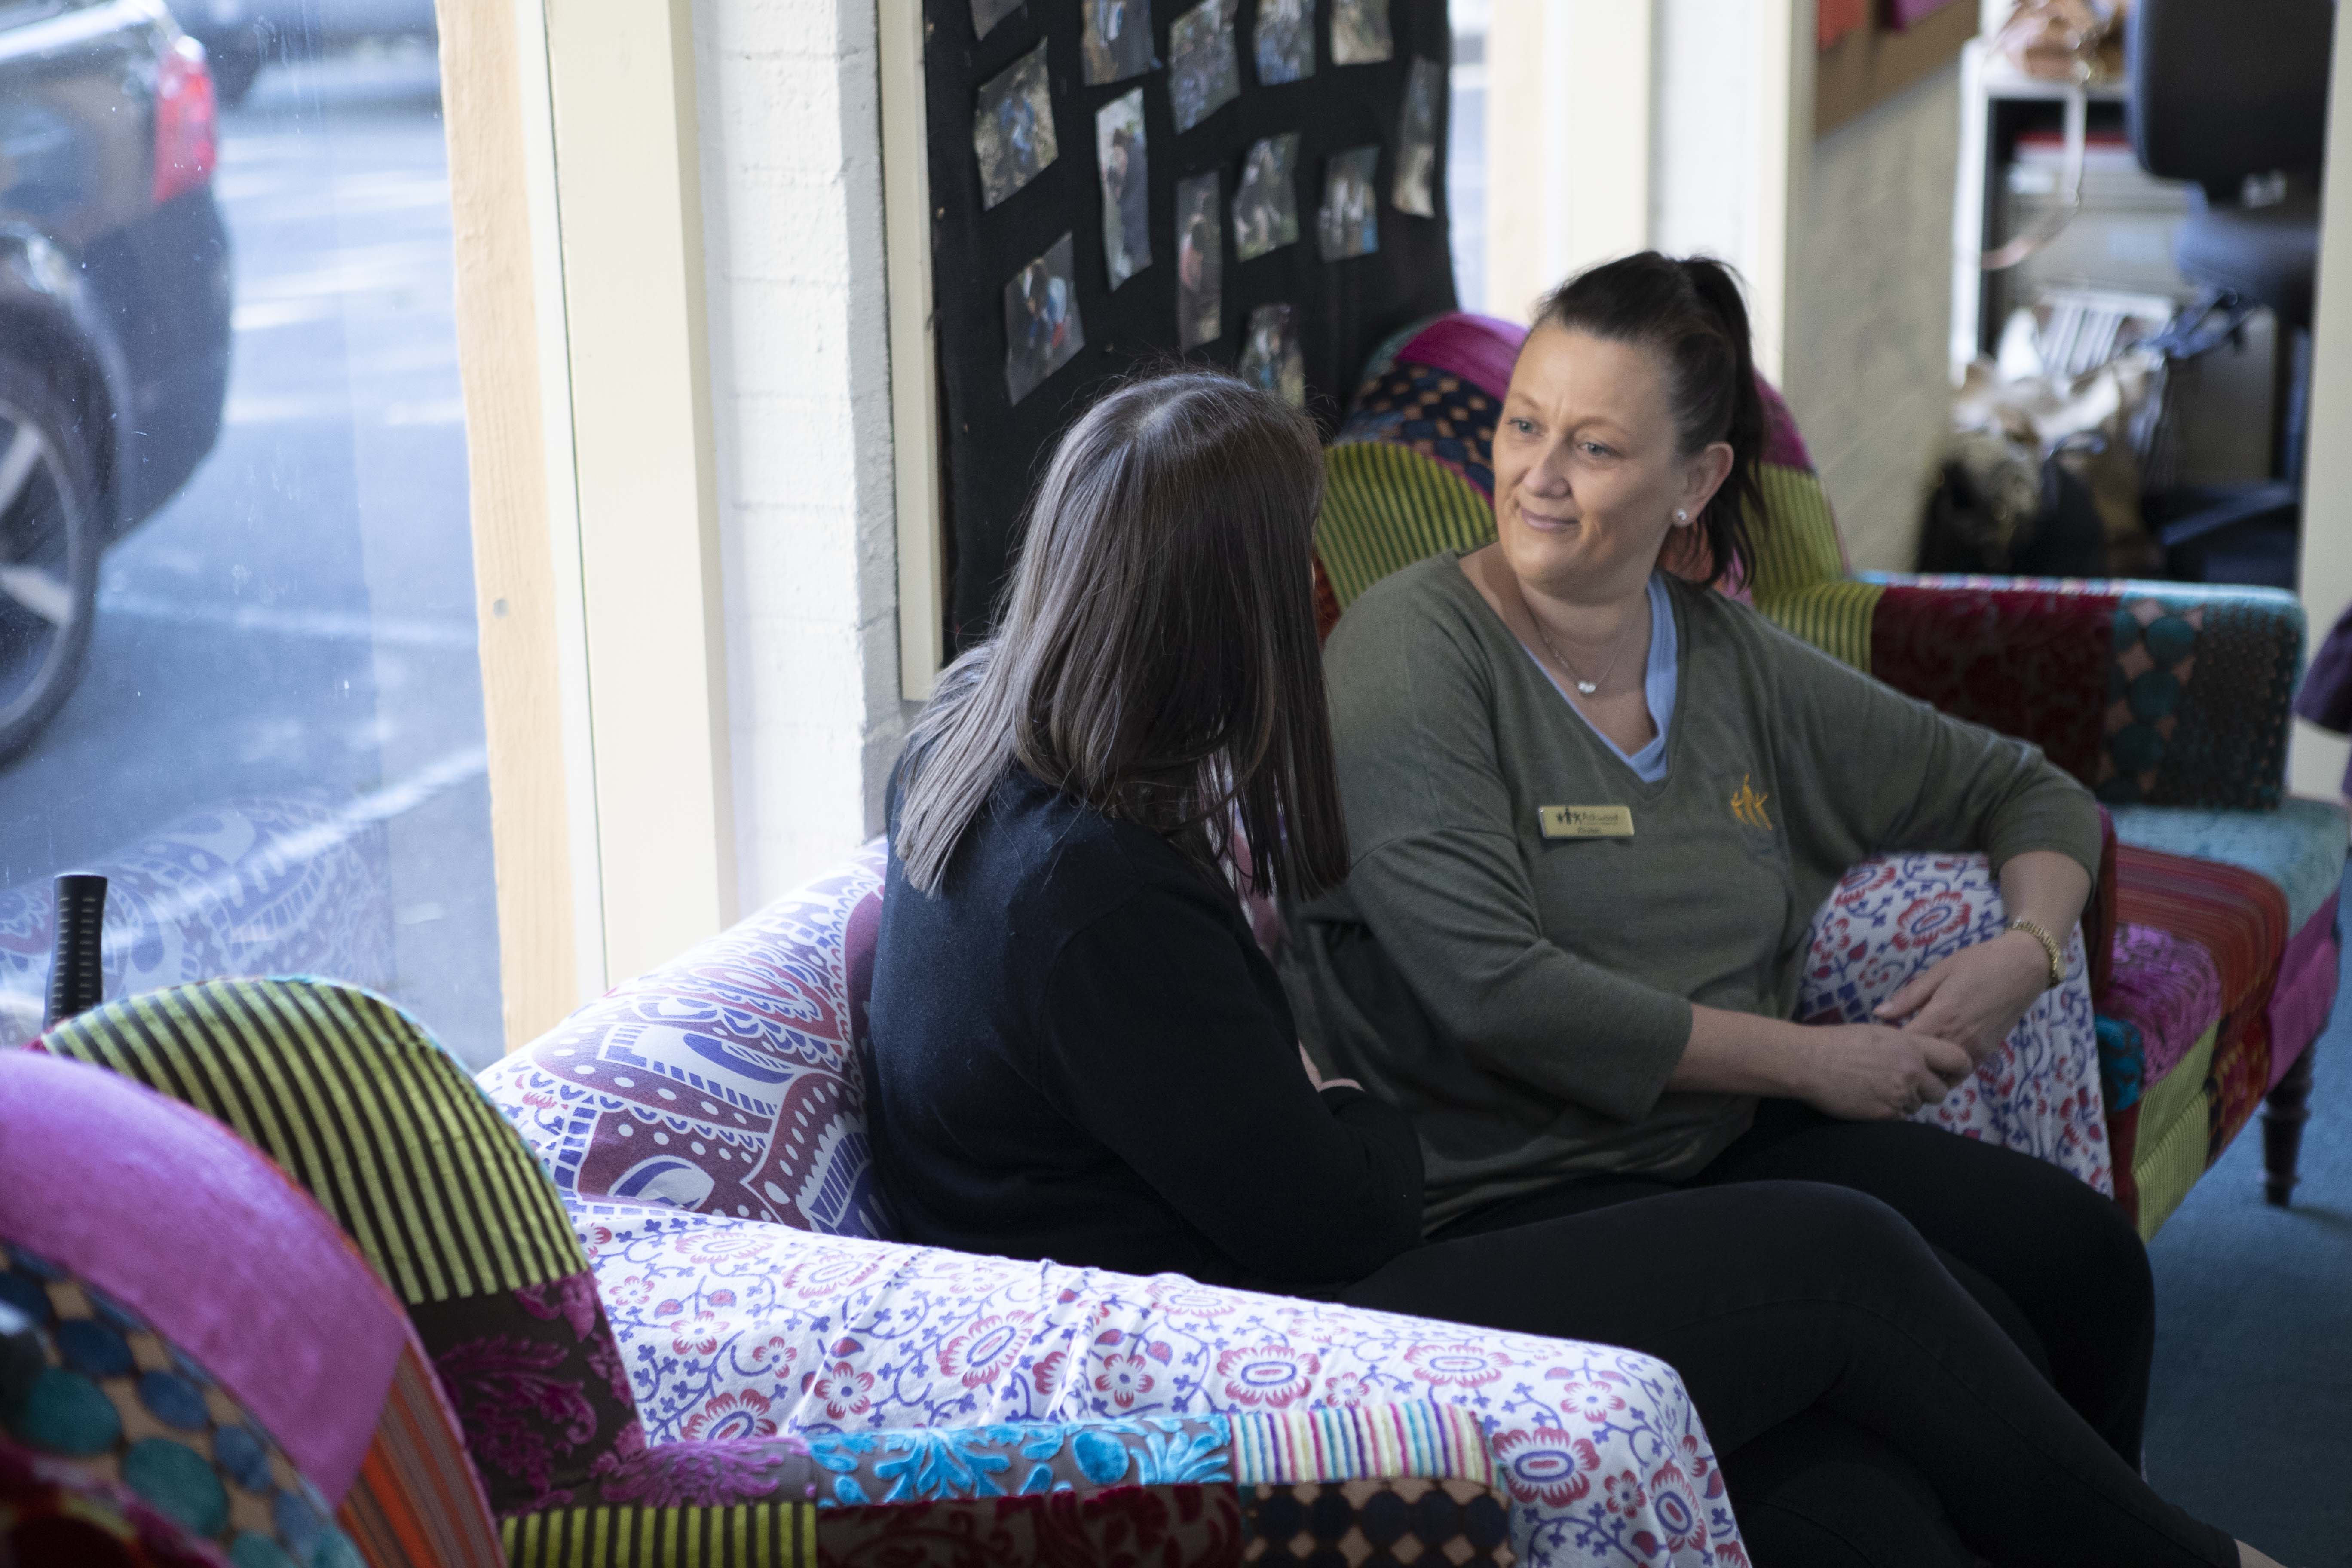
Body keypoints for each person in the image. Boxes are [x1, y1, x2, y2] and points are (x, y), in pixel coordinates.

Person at [865, 367, 2280, 1568]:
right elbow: (1344, 1217)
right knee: (1838, 1261)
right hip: (1261, 1360)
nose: (1323, 599)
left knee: (1860, 1495)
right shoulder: (1095, 901)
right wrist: (1335, 1087)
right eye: (1301, 569)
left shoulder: (980, 739)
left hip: (1231, 1284)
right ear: (1226, 614)